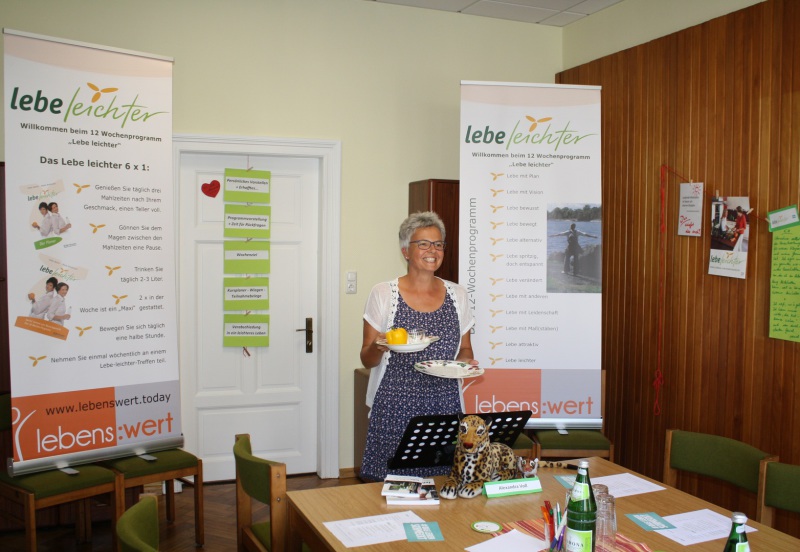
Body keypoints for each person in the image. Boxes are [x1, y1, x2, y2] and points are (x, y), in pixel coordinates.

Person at [359, 211, 477, 482]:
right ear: (405, 251)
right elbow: (366, 358)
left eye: (438, 244)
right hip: (394, 405)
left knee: (444, 485)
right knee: (389, 489)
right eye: (423, 243)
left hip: (444, 404)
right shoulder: (383, 293)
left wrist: (464, 364)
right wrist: (379, 345)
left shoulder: (458, 295)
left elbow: (466, 349)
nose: (432, 250)